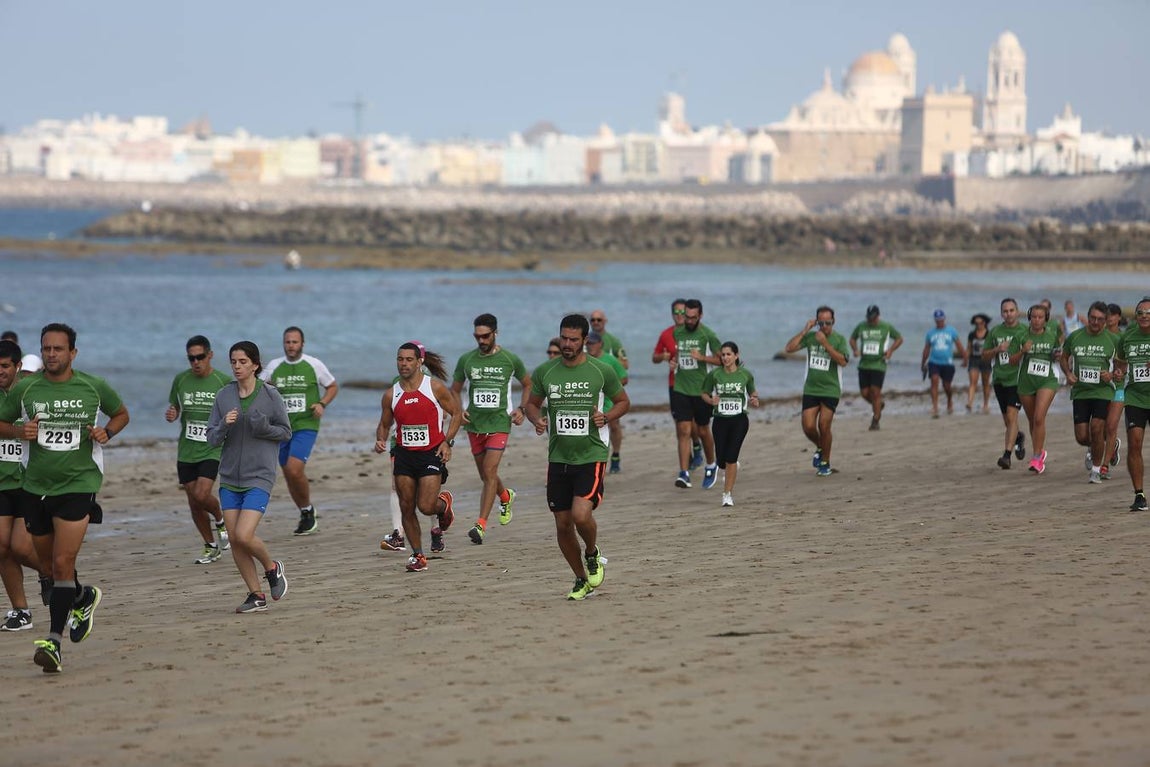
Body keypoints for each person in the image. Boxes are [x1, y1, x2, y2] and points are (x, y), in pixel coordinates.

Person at [0, 323, 130, 673]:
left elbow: (121, 414)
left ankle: (53, 643)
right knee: (47, 566)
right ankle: (83, 597)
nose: (52, 355)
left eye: (58, 349)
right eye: (46, 349)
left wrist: (107, 432)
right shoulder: (26, 389)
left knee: (61, 564)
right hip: (36, 487)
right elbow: (2, 420)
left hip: (79, 484)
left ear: (73, 352)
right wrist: (17, 430)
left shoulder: (92, 386)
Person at [525, 314, 629, 600]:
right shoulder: (545, 371)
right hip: (558, 457)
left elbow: (623, 401)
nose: (567, 344)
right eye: (563, 338)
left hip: (591, 454)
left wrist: (606, 416)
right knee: (562, 523)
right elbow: (531, 405)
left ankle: (592, 552)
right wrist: (537, 419)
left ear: (585, 340)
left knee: (581, 514)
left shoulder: (600, 371)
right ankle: (580, 578)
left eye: (573, 339)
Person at [206, 341, 292, 614]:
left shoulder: (270, 395)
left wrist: (263, 427)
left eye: (243, 362)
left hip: (259, 475)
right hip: (230, 476)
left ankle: (272, 567)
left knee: (244, 534)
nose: (237, 366)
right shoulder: (223, 396)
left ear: (255, 364)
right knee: (235, 538)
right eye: (233, 362)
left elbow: (285, 433)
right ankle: (256, 595)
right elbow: (210, 438)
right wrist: (223, 425)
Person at [374, 343, 461, 572]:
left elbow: (457, 414)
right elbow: (384, 424)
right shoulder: (392, 394)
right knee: (406, 507)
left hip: (430, 453)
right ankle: (418, 555)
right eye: (400, 359)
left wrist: (447, 442)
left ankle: (444, 505)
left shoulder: (434, 387)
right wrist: (380, 439)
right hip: (404, 455)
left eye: (409, 359)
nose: (404, 363)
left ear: (419, 361)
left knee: (425, 505)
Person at [451, 313, 529, 545]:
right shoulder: (466, 360)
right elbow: (454, 389)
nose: (481, 341)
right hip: (474, 424)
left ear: (496, 333)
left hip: (499, 423)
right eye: (477, 337)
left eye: (485, 336)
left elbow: (528, 384)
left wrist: (522, 409)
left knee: (489, 470)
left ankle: (480, 525)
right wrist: (457, 410)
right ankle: (506, 496)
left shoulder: (510, 359)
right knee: (487, 475)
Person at [260, 326, 338, 537]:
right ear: (283, 343)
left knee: (294, 469)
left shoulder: (314, 364)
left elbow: (332, 387)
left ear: (302, 344)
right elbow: (258, 388)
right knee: (288, 472)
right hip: (281, 428)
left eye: (295, 342)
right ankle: (306, 512)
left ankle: (307, 513)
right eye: (287, 342)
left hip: (306, 424)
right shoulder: (275, 366)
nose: (291, 346)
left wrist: (322, 403)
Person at [166, 335, 232, 564]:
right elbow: (175, 406)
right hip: (186, 450)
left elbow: (236, 410)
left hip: (212, 447)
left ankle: (220, 519)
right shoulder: (181, 380)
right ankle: (210, 546)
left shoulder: (222, 381)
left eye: (200, 357)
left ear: (210, 355)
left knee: (202, 494)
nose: (196, 362)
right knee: (194, 502)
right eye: (191, 358)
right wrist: (172, 413)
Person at [0, 340, 49, 633]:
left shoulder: (32, 393)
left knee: (19, 547)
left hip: (29, 482)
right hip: (1, 483)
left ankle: (55, 576)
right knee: (1, 548)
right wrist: (18, 430)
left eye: (5, 366)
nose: (0, 372)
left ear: (18, 367)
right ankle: (21, 611)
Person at [784, 306, 849, 477]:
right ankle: (821, 446)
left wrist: (825, 344)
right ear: (817, 322)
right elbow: (789, 349)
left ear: (833, 322)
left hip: (831, 389)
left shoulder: (839, 339)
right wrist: (805, 330)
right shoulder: (811, 337)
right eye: (821, 322)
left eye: (828, 322)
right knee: (808, 426)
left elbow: (843, 361)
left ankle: (825, 462)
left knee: (824, 425)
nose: (825, 326)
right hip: (811, 388)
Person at [1061, 302, 1118, 483]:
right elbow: (1064, 357)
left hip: (1103, 392)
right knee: (1082, 436)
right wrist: (1068, 374)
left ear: (1105, 320)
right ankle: (1108, 445)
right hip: (1081, 392)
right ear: (1087, 316)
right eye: (1092, 318)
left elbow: (1122, 365)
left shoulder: (1113, 339)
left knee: (1097, 427)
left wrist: (1111, 374)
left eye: (1100, 319)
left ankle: (1095, 470)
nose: (1095, 322)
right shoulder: (1075, 337)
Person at [700, 341, 759, 507]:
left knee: (731, 457)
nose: (725, 358)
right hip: (720, 420)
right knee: (721, 460)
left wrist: (754, 399)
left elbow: (752, 391)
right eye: (723, 355)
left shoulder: (745, 375)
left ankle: (727, 495)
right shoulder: (715, 375)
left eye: (728, 354)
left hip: (739, 419)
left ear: (736, 355)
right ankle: (727, 464)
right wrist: (711, 400)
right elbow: (703, 393)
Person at [671, 299, 722, 489]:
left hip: (702, 390)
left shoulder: (708, 335)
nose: (689, 320)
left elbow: (721, 360)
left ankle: (711, 464)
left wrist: (702, 358)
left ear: (700, 316)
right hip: (681, 387)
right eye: (687, 317)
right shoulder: (678, 332)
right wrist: (673, 363)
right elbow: (678, 355)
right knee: (683, 430)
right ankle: (683, 473)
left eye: (693, 317)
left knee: (702, 430)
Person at [652, 299, 703, 468]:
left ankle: (696, 444)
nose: (680, 316)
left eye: (683, 312)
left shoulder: (699, 333)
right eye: (677, 312)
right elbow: (655, 357)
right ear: (672, 314)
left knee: (694, 422)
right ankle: (686, 457)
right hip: (675, 383)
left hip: (696, 383)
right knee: (680, 423)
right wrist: (664, 357)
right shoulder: (666, 334)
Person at [1015, 304, 1061, 475]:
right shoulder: (1021, 335)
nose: (1036, 320)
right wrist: (1022, 351)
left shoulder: (1052, 335)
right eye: (1033, 317)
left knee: (1039, 417)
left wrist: (1057, 355)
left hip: (1047, 380)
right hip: (1026, 382)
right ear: (1029, 318)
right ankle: (1039, 450)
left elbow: (1058, 353)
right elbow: (1012, 361)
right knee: (1032, 420)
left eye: (1040, 317)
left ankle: (1036, 457)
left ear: (1046, 319)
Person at [1114, 297, 1150, 511]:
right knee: (1135, 444)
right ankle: (1139, 495)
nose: (1144, 316)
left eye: (1148, 312)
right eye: (1140, 313)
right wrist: (1119, 372)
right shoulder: (1127, 337)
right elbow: (1120, 365)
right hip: (1135, 397)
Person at [984, 298, 1029, 469]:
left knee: (1012, 417)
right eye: (1005, 311)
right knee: (1008, 421)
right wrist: (997, 349)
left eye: (1011, 310)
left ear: (1017, 312)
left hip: (1017, 380)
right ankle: (1017, 437)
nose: (1008, 314)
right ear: (1001, 313)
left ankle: (1006, 456)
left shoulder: (1025, 330)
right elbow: (984, 355)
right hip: (999, 379)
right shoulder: (995, 332)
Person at [849, 304, 903, 430]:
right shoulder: (861, 326)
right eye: (868, 318)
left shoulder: (886, 327)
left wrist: (890, 351)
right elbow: (852, 339)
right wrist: (855, 349)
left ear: (878, 316)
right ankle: (878, 405)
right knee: (864, 393)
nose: (870, 320)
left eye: (872, 318)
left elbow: (899, 338)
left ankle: (875, 420)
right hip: (864, 364)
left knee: (875, 391)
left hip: (879, 364)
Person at [585, 331, 628, 473]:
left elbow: (624, 378)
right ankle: (593, 461)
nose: (589, 346)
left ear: (600, 344)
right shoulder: (583, 360)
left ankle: (615, 456)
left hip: (609, 400)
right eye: (588, 343)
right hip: (591, 401)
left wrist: (610, 387)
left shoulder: (610, 360)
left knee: (613, 426)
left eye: (592, 343)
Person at [921, 309, 967, 418]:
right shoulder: (930, 333)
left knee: (947, 386)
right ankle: (935, 406)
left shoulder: (951, 331)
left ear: (944, 319)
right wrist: (923, 362)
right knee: (934, 380)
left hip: (948, 363)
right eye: (937, 320)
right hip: (934, 362)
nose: (939, 322)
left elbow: (959, 346)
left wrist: (965, 358)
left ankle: (949, 401)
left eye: (941, 320)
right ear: (935, 320)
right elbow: (926, 349)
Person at [1099, 303, 1127, 477]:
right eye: (1106, 315)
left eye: (1112, 315)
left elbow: (1127, 362)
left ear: (1118, 317)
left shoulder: (1124, 338)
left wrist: (1120, 372)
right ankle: (1112, 446)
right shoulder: (1099, 336)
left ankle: (1104, 466)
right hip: (1101, 387)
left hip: (1119, 387)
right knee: (1101, 427)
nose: (1109, 318)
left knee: (1111, 426)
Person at [966, 313, 994, 413]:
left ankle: (986, 404)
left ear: (985, 323)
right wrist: (965, 359)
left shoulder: (989, 334)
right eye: (976, 323)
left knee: (985, 383)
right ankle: (969, 403)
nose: (978, 325)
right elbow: (969, 348)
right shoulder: (971, 334)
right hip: (974, 360)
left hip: (986, 360)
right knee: (972, 382)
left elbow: (993, 348)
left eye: (980, 323)